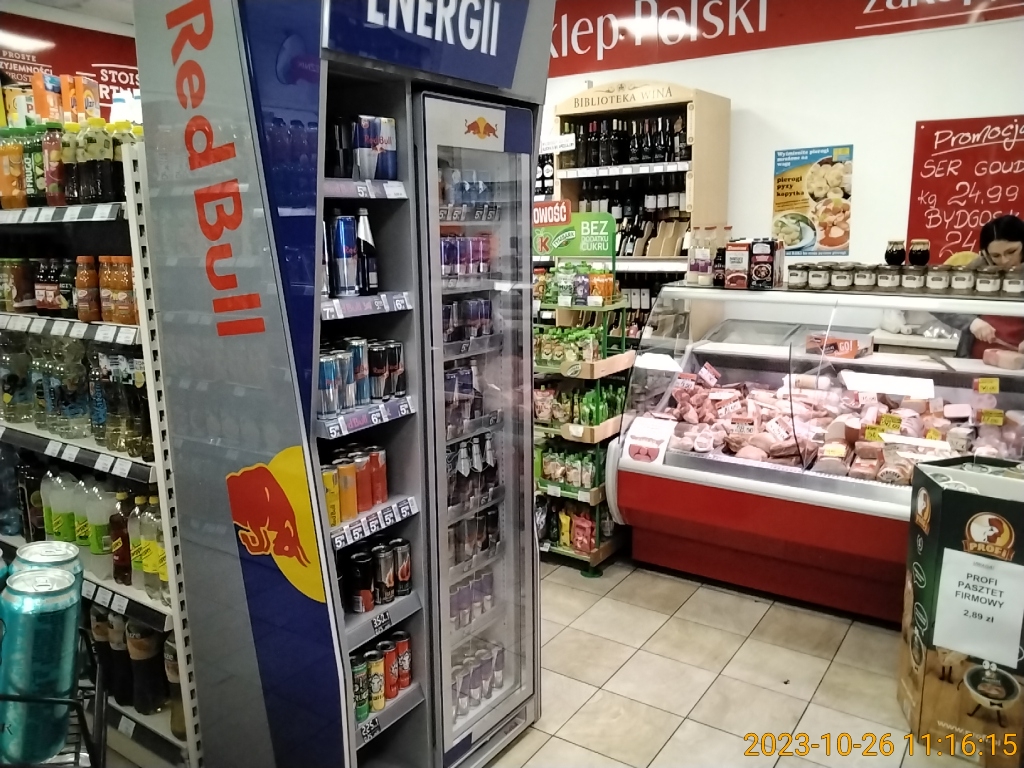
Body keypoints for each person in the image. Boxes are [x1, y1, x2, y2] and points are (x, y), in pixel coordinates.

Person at [936, 214, 1024, 358]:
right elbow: (937, 302)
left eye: (1011, 252)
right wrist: (971, 322)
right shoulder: (977, 269)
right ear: (986, 254)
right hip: (974, 361)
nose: (1004, 260)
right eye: (996, 255)